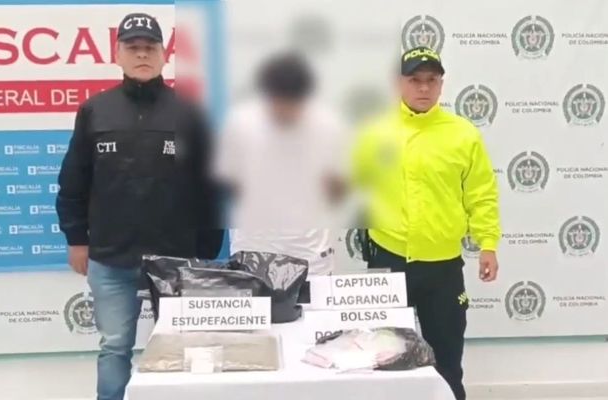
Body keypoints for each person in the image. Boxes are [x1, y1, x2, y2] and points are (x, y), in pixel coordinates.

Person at [56, 13, 222, 400]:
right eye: (133, 48)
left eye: (150, 47)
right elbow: (74, 181)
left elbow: (210, 186)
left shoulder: (189, 112)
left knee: (181, 344)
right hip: (111, 258)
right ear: (118, 55)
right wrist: (77, 239)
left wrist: (206, 248)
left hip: (176, 257)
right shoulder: (94, 110)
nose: (142, 54)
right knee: (114, 346)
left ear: (165, 55)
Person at [352, 46, 500, 400]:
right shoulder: (374, 131)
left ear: (441, 84)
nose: (423, 88)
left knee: (447, 363)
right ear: (398, 83)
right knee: (384, 363)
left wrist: (488, 243)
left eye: (431, 80)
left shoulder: (463, 134)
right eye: (414, 80)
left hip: (443, 268)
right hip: (389, 261)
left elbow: (481, 193)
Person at [214, 52, 347, 275]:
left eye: (293, 103)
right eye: (279, 102)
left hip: (312, 256)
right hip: (254, 252)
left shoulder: (329, 126)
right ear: (267, 95)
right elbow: (228, 183)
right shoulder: (240, 125)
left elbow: (339, 188)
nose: (286, 110)